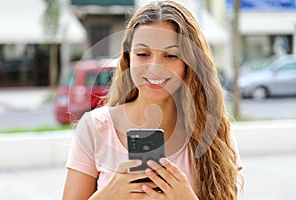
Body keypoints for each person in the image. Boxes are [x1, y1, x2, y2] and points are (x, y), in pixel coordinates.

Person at [62, 0, 243, 199]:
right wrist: (109, 193)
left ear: (189, 63)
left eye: (171, 55)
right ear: (129, 58)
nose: (155, 67)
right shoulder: (95, 128)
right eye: (143, 54)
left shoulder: (213, 134)